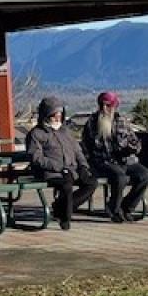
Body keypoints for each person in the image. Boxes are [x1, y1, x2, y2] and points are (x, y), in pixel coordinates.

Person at [26, 96, 96, 230]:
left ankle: (59, 207)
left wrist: (83, 166)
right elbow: (36, 157)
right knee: (66, 185)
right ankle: (65, 217)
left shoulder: (65, 131)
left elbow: (77, 151)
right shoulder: (36, 134)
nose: (57, 118)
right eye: (54, 115)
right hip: (50, 172)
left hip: (71, 169)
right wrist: (59, 167)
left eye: (59, 115)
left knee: (91, 183)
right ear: (46, 115)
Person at [81, 91, 148, 223]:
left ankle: (127, 207)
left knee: (145, 175)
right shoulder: (92, 122)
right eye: (102, 105)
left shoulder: (122, 121)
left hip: (125, 160)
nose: (104, 108)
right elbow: (86, 146)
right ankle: (114, 209)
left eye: (108, 105)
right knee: (120, 177)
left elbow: (136, 142)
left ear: (114, 107)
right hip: (103, 161)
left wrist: (131, 148)